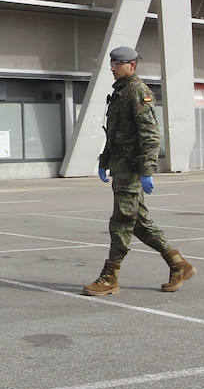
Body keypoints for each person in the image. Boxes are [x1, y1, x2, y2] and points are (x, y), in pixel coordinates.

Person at [82, 46, 196, 297]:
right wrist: (104, 161)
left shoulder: (137, 91)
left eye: (117, 63)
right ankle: (179, 265)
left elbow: (150, 134)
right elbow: (114, 133)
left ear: (131, 65)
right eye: (111, 63)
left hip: (132, 170)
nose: (112, 67)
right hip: (121, 168)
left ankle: (109, 276)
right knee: (140, 224)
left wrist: (146, 171)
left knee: (121, 222)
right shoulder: (121, 92)